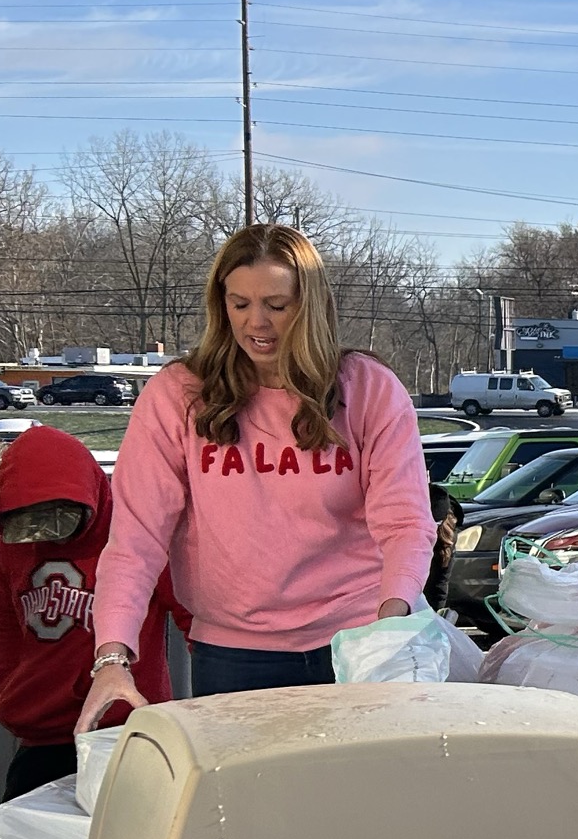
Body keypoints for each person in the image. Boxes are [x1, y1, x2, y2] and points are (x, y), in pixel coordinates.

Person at [80, 225, 434, 725]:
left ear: (308, 306)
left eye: (276, 304)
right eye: (239, 303)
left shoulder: (368, 388)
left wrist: (388, 632)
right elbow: (136, 538)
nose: (256, 323)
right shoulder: (178, 395)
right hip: (233, 656)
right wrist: (112, 656)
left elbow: (405, 523)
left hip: (357, 640)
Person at [0, 426, 178, 797]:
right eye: (34, 522)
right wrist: (7, 686)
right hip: (40, 734)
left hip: (125, 727)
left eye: (62, 516)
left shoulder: (135, 536)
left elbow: (193, 615)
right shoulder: (12, 546)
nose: (49, 534)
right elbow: (3, 622)